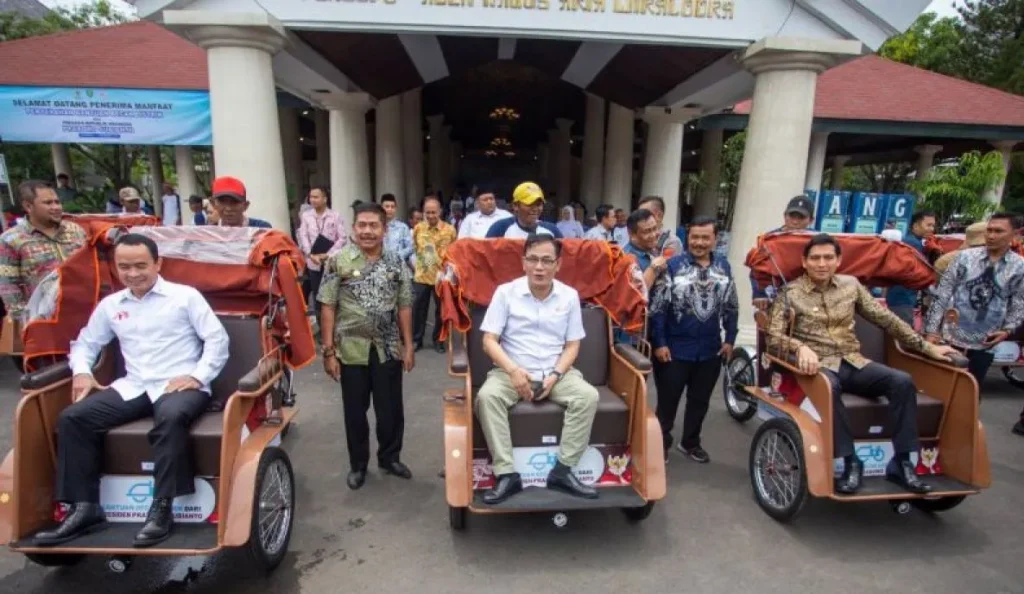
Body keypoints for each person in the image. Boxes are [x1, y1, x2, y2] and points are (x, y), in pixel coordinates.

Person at [34, 233, 229, 547]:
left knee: (170, 417)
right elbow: (85, 343)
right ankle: (84, 507)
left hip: (180, 383)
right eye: (124, 267)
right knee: (74, 418)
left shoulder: (185, 297)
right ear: (116, 267)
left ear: (157, 264)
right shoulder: (111, 305)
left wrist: (197, 376)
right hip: (135, 385)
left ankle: (162, 507)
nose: (133, 273)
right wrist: (82, 372)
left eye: (140, 265)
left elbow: (217, 340)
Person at [767, 234, 958, 495]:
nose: (821, 264)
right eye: (815, 258)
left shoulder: (851, 285)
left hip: (853, 361)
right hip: (816, 366)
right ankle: (850, 461)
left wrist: (926, 346)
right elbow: (773, 335)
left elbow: (886, 319)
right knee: (830, 387)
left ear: (838, 261)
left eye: (828, 258)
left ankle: (902, 463)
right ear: (804, 262)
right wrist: (799, 347)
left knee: (902, 381)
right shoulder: (790, 293)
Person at [475, 234, 600, 504]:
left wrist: (555, 375)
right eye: (532, 260)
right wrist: (513, 371)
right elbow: (489, 341)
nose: (539, 267)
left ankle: (563, 471)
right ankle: (507, 474)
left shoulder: (569, 296)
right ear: (523, 262)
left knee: (587, 396)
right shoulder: (505, 293)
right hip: (511, 371)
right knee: (487, 397)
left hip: (556, 372)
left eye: (546, 260)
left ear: (558, 264)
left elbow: (572, 345)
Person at [318, 202, 415, 490]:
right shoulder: (338, 261)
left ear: (385, 229)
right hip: (350, 350)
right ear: (353, 228)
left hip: (388, 347)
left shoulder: (396, 262)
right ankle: (358, 465)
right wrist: (328, 351)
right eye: (362, 225)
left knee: (390, 410)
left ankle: (390, 458)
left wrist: (409, 345)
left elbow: (404, 305)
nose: (367, 231)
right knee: (355, 412)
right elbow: (327, 306)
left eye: (374, 225)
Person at [924, 213, 1024, 433]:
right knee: (939, 388)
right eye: (990, 230)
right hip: (949, 336)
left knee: (972, 389)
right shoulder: (964, 258)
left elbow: (1019, 303)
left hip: (985, 341)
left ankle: (961, 435)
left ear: (1015, 235)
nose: (992, 235)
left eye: (998, 231)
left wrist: (1007, 330)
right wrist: (931, 331)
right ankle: (933, 433)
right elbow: (942, 294)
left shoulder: (1019, 267)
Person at [649, 216, 737, 464]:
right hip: (674, 350)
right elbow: (658, 309)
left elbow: (731, 304)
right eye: (694, 237)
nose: (699, 242)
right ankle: (660, 443)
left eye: (705, 237)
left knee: (700, 402)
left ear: (715, 239)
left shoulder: (724, 266)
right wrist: (659, 343)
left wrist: (730, 338)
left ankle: (690, 442)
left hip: (710, 350)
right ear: (687, 237)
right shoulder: (672, 266)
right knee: (667, 402)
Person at [0, 180, 87, 317]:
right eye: (48, 203)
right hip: (41, 317)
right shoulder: (11, 239)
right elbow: (7, 285)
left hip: (83, 310)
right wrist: (23, 318)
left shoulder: (75, 230)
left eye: (57, 202)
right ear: (28, 206)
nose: (56, 207)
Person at [751, 195, 816, 304]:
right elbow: (757, 268)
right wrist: (759, 294)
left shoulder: (818, 240)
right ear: (785, 215)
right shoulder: (770, 239)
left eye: (801, 217)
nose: (795, 221)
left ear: (811, 220)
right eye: (791, 216)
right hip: (775, 296)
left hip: (809, 297)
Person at [412, 197, 456, 353]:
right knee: (418, 309)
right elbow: (416, 248)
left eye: (433, 212)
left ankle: (439, 340)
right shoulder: (418, 228)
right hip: (422, 275)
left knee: (441, 310)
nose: (430, 216)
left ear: (440, 212)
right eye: (427, 212)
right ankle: (417, 340)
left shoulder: (450, 230)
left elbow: (454, 252)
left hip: (441, 277)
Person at [297, 187, 347, 312]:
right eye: (311, 197)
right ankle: (320, 321)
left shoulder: (335, 216)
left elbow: (342, 238)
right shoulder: (306, 216)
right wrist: (310, 254)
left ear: (325, 199)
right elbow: (303, 236)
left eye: (316, 197)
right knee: (317, 296)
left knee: (333, 295)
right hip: (313, 262)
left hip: (331, 262)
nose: (312, 200)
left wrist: (328, 254)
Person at [886, 210, 936, 326]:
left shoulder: (910, 241)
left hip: (899, 297)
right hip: (903, 298)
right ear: (915, 225)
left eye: (933, 226)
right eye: (928, 225)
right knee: (904, 333)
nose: (932, 229)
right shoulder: (913, 244)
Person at [485, 182, 562, 239]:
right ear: (515, 206)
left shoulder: (552, 230)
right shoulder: (500, 228)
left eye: (538, 205)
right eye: (530, 204)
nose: (535, 209)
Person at [622, 208, 667, 291]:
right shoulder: (626, 259)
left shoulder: (651, 249)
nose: (653, 235)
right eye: (647, 231)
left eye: (655, 228)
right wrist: (653, 269)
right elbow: (635, 293)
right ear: (631, 233)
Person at [381, 194, 414, 267]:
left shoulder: (403, 227)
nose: (390, 209)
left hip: (399, 267)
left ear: (396, 209)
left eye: (392, 207)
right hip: (380, 266)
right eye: (387, 206)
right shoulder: (376, 227)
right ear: (381, 208)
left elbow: (411, 247)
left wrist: (397, 256)